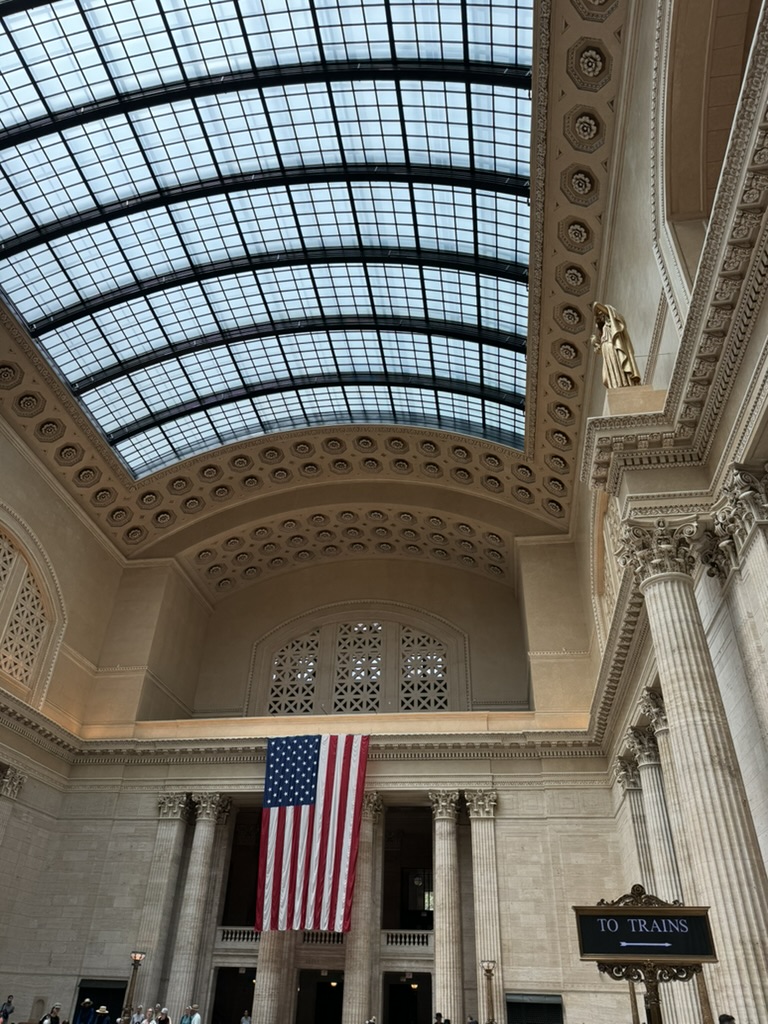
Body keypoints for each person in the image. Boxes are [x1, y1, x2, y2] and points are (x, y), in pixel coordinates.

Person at [591, 301, 641, 389]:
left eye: (601, 315)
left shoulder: (611, 323)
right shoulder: (603, 331)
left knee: (618, 370)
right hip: (607, 353)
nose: (599, 317)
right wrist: (596, 344)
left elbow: (596, 305)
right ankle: (617, 386)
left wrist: (596, 311)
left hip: (613, 349)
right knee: (605, 379)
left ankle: (624, 384)